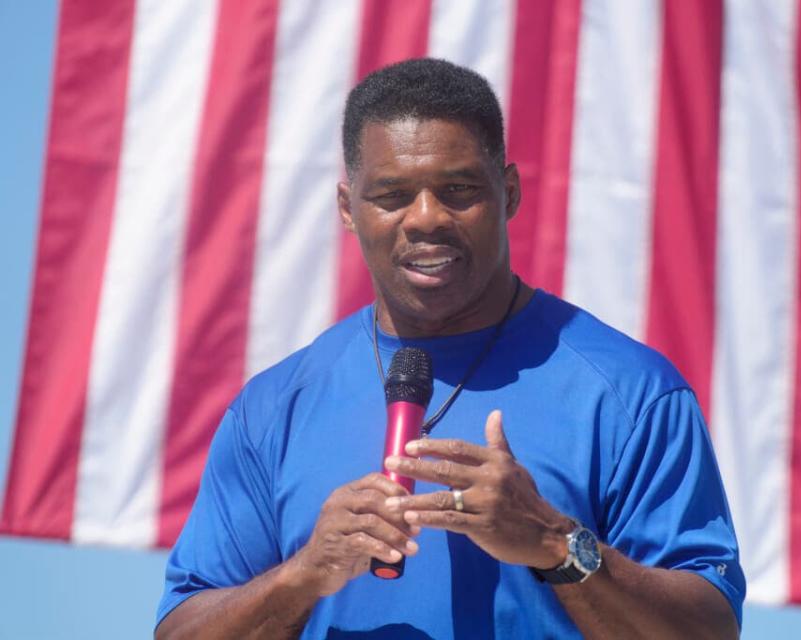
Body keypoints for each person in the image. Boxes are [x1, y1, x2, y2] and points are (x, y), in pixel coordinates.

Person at [155, 58, 745, 639]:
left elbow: (709, 632)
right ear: (347, 209)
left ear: (508, 193)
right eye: (392, 195)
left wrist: (552, 542)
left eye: (459, 190)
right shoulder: (273, 408)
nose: (427, 218)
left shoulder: (631, 394)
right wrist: (303, 575)